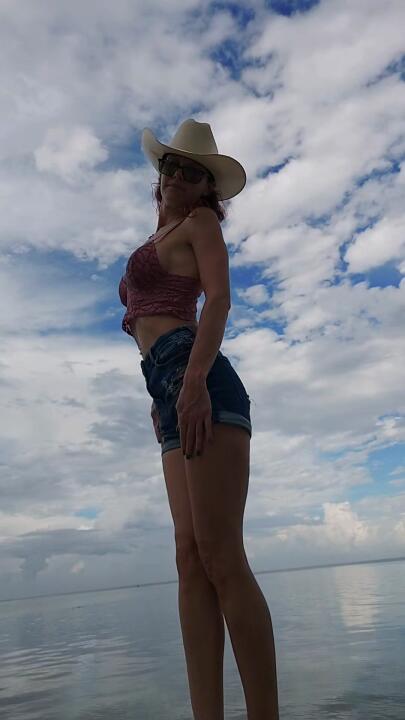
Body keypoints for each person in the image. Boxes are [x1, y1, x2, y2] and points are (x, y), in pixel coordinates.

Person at [119, 119, 279, 720]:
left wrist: (190, 385)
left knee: (219, 554)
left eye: (194, 173)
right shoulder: (160, 235)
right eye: (173, 167)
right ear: (159, 174)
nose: (180, 177)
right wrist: (161, 396)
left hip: (200, 379)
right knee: (188, 557)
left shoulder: (201, 224)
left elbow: (219, 299)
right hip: (166, 388)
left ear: (208, 188)